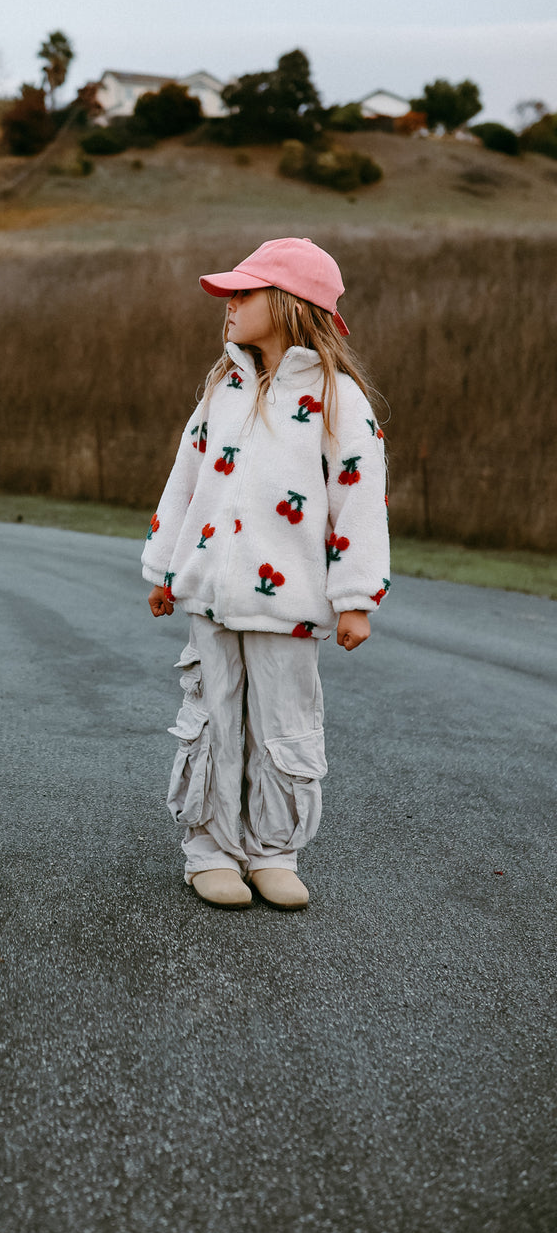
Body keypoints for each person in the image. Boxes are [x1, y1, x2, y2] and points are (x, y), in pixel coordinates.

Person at [142, 237, 389, 911]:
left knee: (283, 725)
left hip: (289, 605)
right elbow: (187, 481)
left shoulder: (338, 400)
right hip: (212, 597)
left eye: (243, 293)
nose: (228, 304)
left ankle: (274, 852)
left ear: (287, 304)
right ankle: (211, 852)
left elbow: (359, 501)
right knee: (212, 720)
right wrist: (166, 568)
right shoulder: (223, 389)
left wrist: (355, 598)